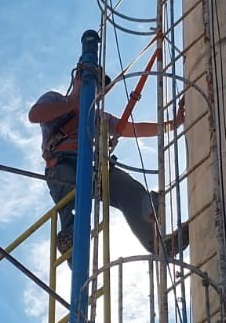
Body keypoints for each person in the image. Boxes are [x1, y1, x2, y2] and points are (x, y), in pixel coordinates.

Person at [29, 64, 189, 258]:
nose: (94, 89)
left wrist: (174, 124)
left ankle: (158, 244)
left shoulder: (96, 117)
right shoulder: (55, 99)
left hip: (91, 167)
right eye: (91, 82)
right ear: (77, 78)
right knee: (72, 200)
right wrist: (73, 104)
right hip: (62, 164)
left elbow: (132, 129)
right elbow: (35, 115)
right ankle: (71, 244)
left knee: (129, 189)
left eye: (98, 87)